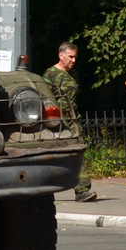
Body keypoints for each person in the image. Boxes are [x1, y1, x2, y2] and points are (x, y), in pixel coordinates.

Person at [44, 42, 97, 202]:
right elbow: (45, 99)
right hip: (57, 122)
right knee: (53, 155)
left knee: (77, 153)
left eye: (75, 57)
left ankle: (82, 190)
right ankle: (43, 190)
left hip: (72, 121)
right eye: (70, 56)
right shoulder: (50, 74)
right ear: (61, 56)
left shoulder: (74, 74)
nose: (73, 60)